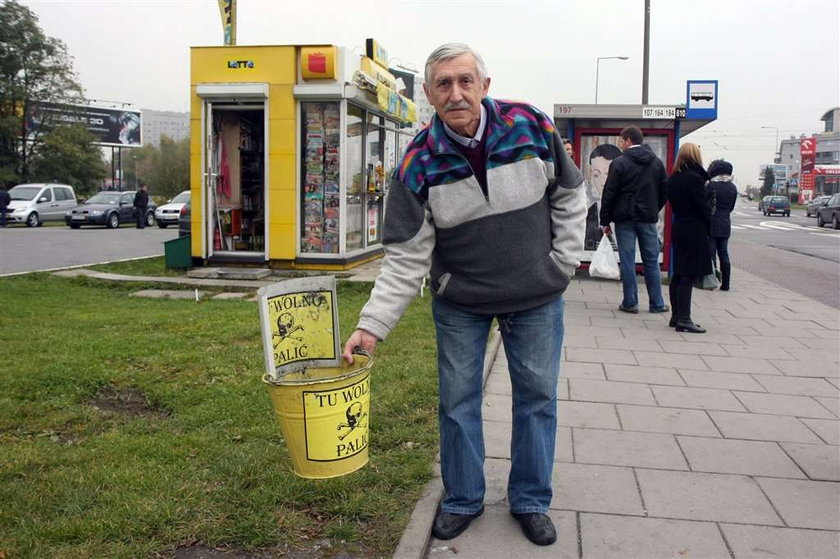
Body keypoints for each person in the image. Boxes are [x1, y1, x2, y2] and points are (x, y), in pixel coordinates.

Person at [341, 43, 585, 546]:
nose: (456, 93)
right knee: (457, 402)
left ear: (484, 86)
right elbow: (407, 255)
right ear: (428, 94)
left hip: (536, 295)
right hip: (462, 301)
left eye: (465, 81)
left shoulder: (530, 127)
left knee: (537, 400)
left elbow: (570, 194)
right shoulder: (417, 163)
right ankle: (462, 499)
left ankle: (531, 500)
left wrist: (561, 262)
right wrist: (371, 325)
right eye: (444, 84)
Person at [599, 126, 669, 314]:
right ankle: (657, 303)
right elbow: (664, 190)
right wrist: (654, 208)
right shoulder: (656, 162)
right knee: (651, 261)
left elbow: (609, 193)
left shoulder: (620, 162)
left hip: (625, 219)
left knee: (628, 260)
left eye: (621, 140)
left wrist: (605, 220)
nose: (620, 144)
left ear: (629, 140)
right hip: (647, 219)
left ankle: (630, 303)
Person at [666, 143, 711, 333]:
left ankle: (676, 316)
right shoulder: (695, 179)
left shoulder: (674, 178)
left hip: (680, 227)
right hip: (694, 229)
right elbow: (702, 207)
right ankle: (684, 318)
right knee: (688, 274)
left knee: (678, 273)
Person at [706, 159, 738, 291]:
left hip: (712, 223)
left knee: (711, 254)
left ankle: (711, 280)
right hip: (725, 223)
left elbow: (707, 205)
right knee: (724, 253)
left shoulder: (711, 186)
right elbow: (731, 207)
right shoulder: (732, 187)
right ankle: (726, 284)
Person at [585, 143, 622, 251]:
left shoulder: (628, 210)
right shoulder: (588, 215)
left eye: (607, 173)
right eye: (596, 174)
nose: (601, 181)